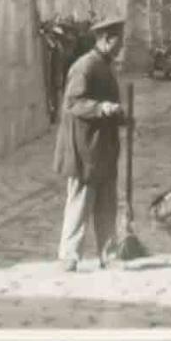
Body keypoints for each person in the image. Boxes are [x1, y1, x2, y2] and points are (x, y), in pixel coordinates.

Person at [53, 16, 127, 272]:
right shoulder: (85, 66)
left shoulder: (105, 65)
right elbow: (72, 103)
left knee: (106, 202)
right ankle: (69, 254)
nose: (121, 47)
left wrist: (121, 117)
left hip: (103, 147)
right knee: (81, 201)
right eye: (119, 41)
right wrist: (101, 107)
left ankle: (109, 254)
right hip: (84, 147)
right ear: (106, 40)